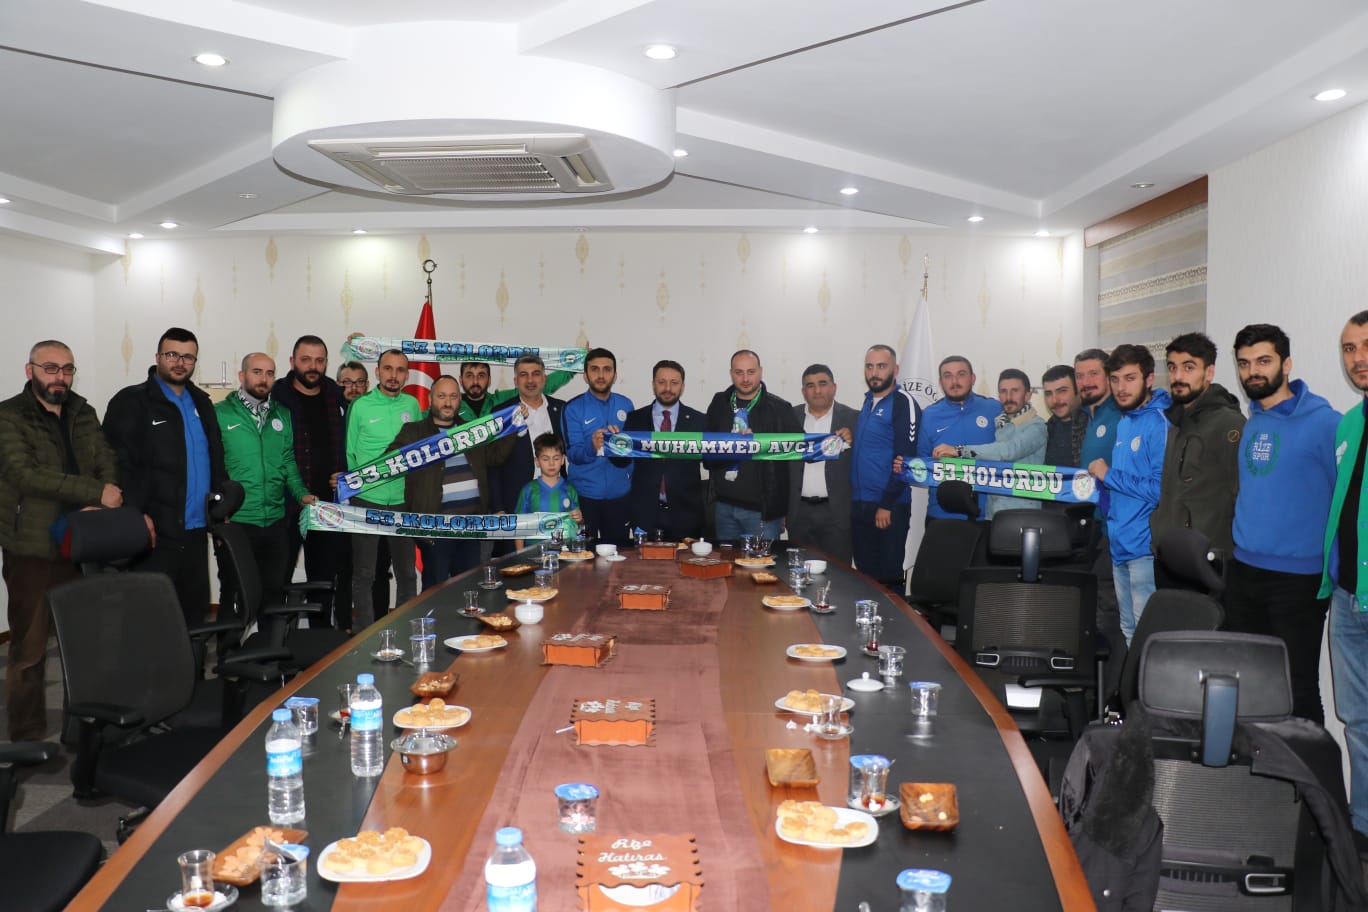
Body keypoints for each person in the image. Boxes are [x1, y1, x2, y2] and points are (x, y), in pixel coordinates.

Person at [0, 341, 119, 741]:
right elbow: (25, 475)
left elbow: (106, 460)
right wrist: (94, 492)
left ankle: (81, 726)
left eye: (67, 369)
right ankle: (26, 736)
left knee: (85, 643)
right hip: (32, 548)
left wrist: (102, 498)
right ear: (29, 370)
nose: (60, 377)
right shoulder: (8, 416)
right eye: (50, 368)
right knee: (29, 650)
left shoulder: (83, 412)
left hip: (83, 540)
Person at [1225, 324, 1337, 724]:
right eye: (1244, 363)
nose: (1252, 371)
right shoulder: (1253, 420)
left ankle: (1310, 768)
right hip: (1243, 572)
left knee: (1297, 689)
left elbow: (1343, 500)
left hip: (1298, 581)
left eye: (1263, 361)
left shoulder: (1326, 423)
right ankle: (1256, 767)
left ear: (1286, 364)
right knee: (1246, 685)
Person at [104, 327, 226, 629]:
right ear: (158, 356)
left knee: (193, 619)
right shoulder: (132, 401)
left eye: (188, 357)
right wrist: (134, 514)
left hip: (196, 532)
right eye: (172, 355)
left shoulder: (202, 402)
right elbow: (116, 464)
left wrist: (221, 509)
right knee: (149, 622)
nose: (180, 363)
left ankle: (191, 664)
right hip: (153, 534)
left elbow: (215, 457)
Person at [215, 353, 316, 622]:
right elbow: (211, 466)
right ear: (242, 375)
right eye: (257, 372)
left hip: (275, 522)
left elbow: (288, 461)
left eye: (270, 373)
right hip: (237, 521)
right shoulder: (220, 414)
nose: (264, 379)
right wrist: (217, 512)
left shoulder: (282, 414)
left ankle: (268, 648)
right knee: (234, 594)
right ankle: (228, 648)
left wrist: (301, 494)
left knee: (273, 595)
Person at [1087, 344, 1170, 643]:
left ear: (1149, 379)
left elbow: (1161, 489)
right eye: (1115, 379)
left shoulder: (1159, 422)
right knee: (1129, 632)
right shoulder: (1125, 421)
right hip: (1119, 542)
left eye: (1130, 378)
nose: (1121, 388)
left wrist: (1108, 474)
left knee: (1148, 637)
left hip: (1145, 549)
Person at [1322, 310, 1368, 838]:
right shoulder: (1349, 423)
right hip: (1347, 597)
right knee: (1357, 723)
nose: (1358, 358)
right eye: (1349, 348)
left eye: (1366, 346)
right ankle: (1362, 827)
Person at [1149, 332, 1244, 566]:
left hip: (1209, 559)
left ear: (1209, 372)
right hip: (1171, 555)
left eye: (1188, 367)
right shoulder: (1176, 421)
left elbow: (1242, 496)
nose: (1178, 376)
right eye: (1172, 368)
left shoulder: (1230, 424)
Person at [270, 335, 346, 626]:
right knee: (278, 579)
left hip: (326, 507)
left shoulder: (335, 395)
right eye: (305, 360)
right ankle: (274, 640)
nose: (312, 366)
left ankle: (320, 642)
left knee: (323, 581)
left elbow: (349, 443)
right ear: (292, 362)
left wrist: (345, 473)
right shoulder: (276, 397)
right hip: (286, 506)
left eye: (319, 360)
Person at [344, 349, 419, 628]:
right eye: (388, 368)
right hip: (367, 500)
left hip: (402, 501)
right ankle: (364, 634)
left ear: (406, 375)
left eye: (400, 370)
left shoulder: (412, 405)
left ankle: (404, 631)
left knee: (407, 574)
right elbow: (350, 453)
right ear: (377, 372)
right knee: (364, 575)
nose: (393, 375)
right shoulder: (360, 406)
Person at [389, 375, 487, 587]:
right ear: (430, 398)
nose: (447, 402)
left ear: (459, 400)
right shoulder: (414, 432)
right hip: (435, 529)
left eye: (453, 396)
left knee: (469, 590)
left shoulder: (471, 430)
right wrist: (353, 480)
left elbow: (495, 456)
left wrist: (516, 427)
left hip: (471, 527)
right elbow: (389, 462)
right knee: (435, 592)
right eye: (441, 396)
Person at [704, 350, 802, 541]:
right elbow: (705, 454)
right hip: (723, 507)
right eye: (739, 372)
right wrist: (731, 446)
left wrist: (834, 441)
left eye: (751, 372)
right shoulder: (719, 403)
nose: (745, 379)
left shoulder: (779, 408)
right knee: (727, 561)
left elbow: (800, 449)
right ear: (731, 373)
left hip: (762, 512)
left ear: (761, 371)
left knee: (763, 561)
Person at [1075, 347, 1124, 692]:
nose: (1086, 381)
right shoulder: (1089, 417)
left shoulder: (1120, 417)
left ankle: (1109, 699)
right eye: (1080, 375)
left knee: (1110, 619)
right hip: (1093, 528)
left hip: (1118, 531)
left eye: (1093, 374)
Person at [850, 345, 919, 587]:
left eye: (881, 366)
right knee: (865, 580)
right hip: (860, 505)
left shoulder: (903, 402)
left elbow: (906, 458)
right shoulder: (868, 402)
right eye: (869, 366)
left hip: (889, 507)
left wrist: (887, 503)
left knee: (889, 580)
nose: (874, 373)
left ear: (895, 369)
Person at [935, 368, 1046, 518]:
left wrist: (960, 450)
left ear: (1028, 395)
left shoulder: (1037, 426)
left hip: (1024, 513)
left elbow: (1008, 451)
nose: (1008, 397)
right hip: (994, 512)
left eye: (1015, 391)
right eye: (1003, 391)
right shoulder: (1000, 423)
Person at [618, 359, 707, 541]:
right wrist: (612, 443)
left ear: (682, 386)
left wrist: (737, 440)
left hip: (687, 515)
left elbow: (711, 461)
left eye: (674, 382)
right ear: (653, 384)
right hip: (645, 514)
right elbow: (622, 461)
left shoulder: (699, 421)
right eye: (661, 382)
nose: (667, 388)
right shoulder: (635, 419)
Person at [487, 355, 569, 530]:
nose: (530, 380)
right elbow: (493, 464)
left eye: (536, 374)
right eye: (524, 375)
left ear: (544, 379)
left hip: (557, 500)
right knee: (518, 549)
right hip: (515, 503)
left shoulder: (561, 409)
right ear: (516, 381)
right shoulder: (502, 413)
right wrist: (498, 507)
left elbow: (571, 453)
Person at [562, 347, 634, 545]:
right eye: (594, 369)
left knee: (619, 556)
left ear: (615, 375)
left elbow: (632, 452)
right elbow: (572, 454)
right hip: (584, 498)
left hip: (620, 497)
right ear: (585, 376)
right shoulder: (572, 408)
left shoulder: (626, 405)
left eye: (607, 369)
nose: (601, 375)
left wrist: (620, 447)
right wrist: (592, 447)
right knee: (583, 554)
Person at [786, 364, 857, 564]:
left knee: (839, 574)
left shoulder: (853, 419)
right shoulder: (789, 417)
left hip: (836, 514)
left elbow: (865, 460)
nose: (817, 390)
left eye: (822, 384)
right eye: (810, 385)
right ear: (803, 392)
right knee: (798, 571)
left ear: (834, 387)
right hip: (798, 512)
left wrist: (854, 441)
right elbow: (778, 464)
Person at [916, 356, 1001, 520]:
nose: (954, 381)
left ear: (973, 378)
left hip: (987, 514)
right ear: (941, 382)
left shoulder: (994, 409)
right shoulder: (929, 415)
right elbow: (921, 462)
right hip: (941, 514)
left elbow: (1007, 452)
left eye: (961, 374)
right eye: (947, 376)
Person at [512, 433, 583, 550]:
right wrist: (520, 554)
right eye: (545, 459)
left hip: (564, 552)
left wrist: (580, 520)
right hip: (534, 553)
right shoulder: (529, 490)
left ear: (562, 460)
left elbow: (577, 525)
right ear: (537, 461)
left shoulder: (570, 490)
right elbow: (519, 525)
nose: (551, 463)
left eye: (556, 458)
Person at [1041, 364, 1087, 468]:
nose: (1055, 400)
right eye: (1048, 393)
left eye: (1062, 391)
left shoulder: (1093, 427)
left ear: (1078, 390)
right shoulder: (1046, 430)